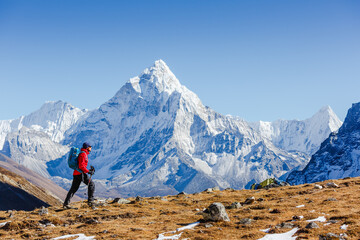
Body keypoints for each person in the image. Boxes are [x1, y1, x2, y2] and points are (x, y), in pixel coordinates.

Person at [63, 142, 96, 208]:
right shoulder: (83, 154)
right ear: (87, 147)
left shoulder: (83, 154)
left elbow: (81, 165)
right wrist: (88, 171)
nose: (91, 148)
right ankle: (90, 200)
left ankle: (66, 204)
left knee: (73, 189)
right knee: (91, 184)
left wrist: (88, 170)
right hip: (80, 173)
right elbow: (81, 166)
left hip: (76, 173)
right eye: (90, 146)